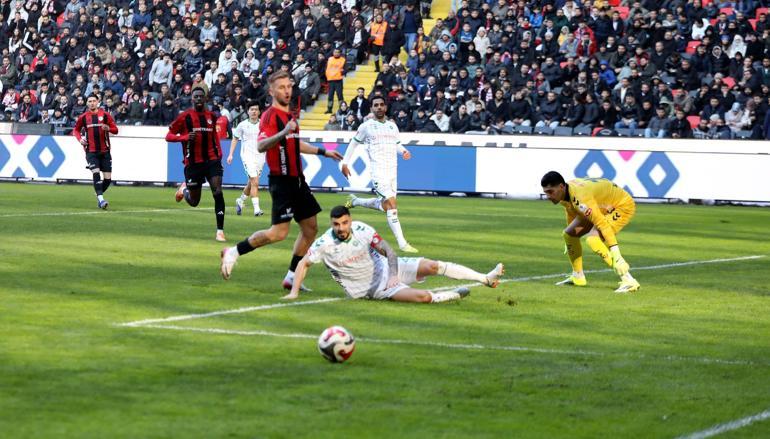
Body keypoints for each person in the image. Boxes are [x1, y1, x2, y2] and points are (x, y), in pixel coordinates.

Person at [220, 71, 344, 289]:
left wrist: (324, 153)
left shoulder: (291, 116)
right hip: (282, 181)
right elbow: (261, 145)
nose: (286, 90)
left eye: (289, 86)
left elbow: (295, 143)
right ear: (271, 91)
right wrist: (283, 132)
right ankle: (234, 251)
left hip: (298, 180)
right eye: (281, 87)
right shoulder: (269, 116)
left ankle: (291, 276)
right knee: (279, 233)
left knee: (310, 228)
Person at [283, 206, 505, 303]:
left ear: (350, 220)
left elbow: (388, 251)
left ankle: (485, 279)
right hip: (370, 289)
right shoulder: (325, 243)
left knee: (433, 265)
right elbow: (304, 263)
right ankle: (455, 294)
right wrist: (294, 292)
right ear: (331, 224)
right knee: (424, 297)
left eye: (344, 223)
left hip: (389, 271)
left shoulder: (362, 229)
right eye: (336, 224)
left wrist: (393, 275)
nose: (341, 228)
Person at [540, 171, 641, 293]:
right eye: (546, 193)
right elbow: (571, 212)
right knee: (568, 234)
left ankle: (629, 280)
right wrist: (572, 238)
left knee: (593, 239)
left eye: (551, 192)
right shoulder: (564, 195)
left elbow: (603, 225)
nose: (548, 197)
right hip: (600, 204)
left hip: (621, 205)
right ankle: (578, 276)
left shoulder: (581, 198)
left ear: (561, 186)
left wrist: (617, 255)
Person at [341, 96, 417, 253]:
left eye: (382, 105)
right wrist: (344, 163)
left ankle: (355, 201)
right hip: (378, 173)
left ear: (386, 107)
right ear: (371, 109)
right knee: (392, 205)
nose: (379, 107)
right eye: (376, 105)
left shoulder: (392, 126)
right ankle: (402, 243)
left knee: (385, 206)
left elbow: (397, 143)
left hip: (392, 172)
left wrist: (404, 151)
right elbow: (353, 144)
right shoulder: (366, 126)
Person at [165, 85, 228, 242]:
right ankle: (184, 189)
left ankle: (220, 231)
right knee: (194, 202)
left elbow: (214, 136)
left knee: (218, 192)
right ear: (192, 99)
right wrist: (184, 137)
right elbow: (169, 136)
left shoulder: (212, 117)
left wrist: (219, 154)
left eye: (201, 96)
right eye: (196, 97)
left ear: (205, 98)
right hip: (193, 163)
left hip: (212, 160)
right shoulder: (184, 117)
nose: (199, 99)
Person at [72, 94, 119, 209]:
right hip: (91, 151)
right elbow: (76, 130)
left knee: (108, 179)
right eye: (89, 101)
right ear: (87, 103)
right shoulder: (83, 117)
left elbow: (116, 130)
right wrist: (80, 139)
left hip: (105, 151)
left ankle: (98, 193)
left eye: (94, 101)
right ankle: (101, 200)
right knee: (96, 173)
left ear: (98, 102)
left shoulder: (105, 115)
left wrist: (109, 128)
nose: (92, 103)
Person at [226, 101, 264, 216]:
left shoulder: (263, 124)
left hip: (261, 156)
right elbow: (235, 138)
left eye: (256, 109)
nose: (254, 111)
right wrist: (231, 154)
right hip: (247, 156)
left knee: (252, 182)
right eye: (251, 109)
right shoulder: (242, 125)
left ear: (259, 111)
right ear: (248, 111)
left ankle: (240, 200)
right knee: (255, 181)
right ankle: (256, 209)